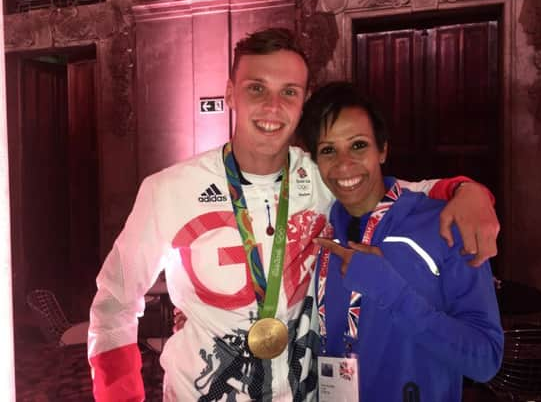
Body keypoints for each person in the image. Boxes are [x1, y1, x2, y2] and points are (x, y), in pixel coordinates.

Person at [88, 28, 499, 401]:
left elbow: (401, 189)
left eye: (288, 92)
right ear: (230, 93)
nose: (272, 106)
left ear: (303, 102)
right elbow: (114, 302)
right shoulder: (167, 190)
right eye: (256, 89)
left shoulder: (322, 174)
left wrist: (467, 190)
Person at [295, 81, 503, 402]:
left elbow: (485, 360)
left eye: (359, 145)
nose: (344, 164)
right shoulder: (320, 233)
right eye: (328, 150)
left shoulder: (444, 225)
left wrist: (391, 291)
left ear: (383, 150)